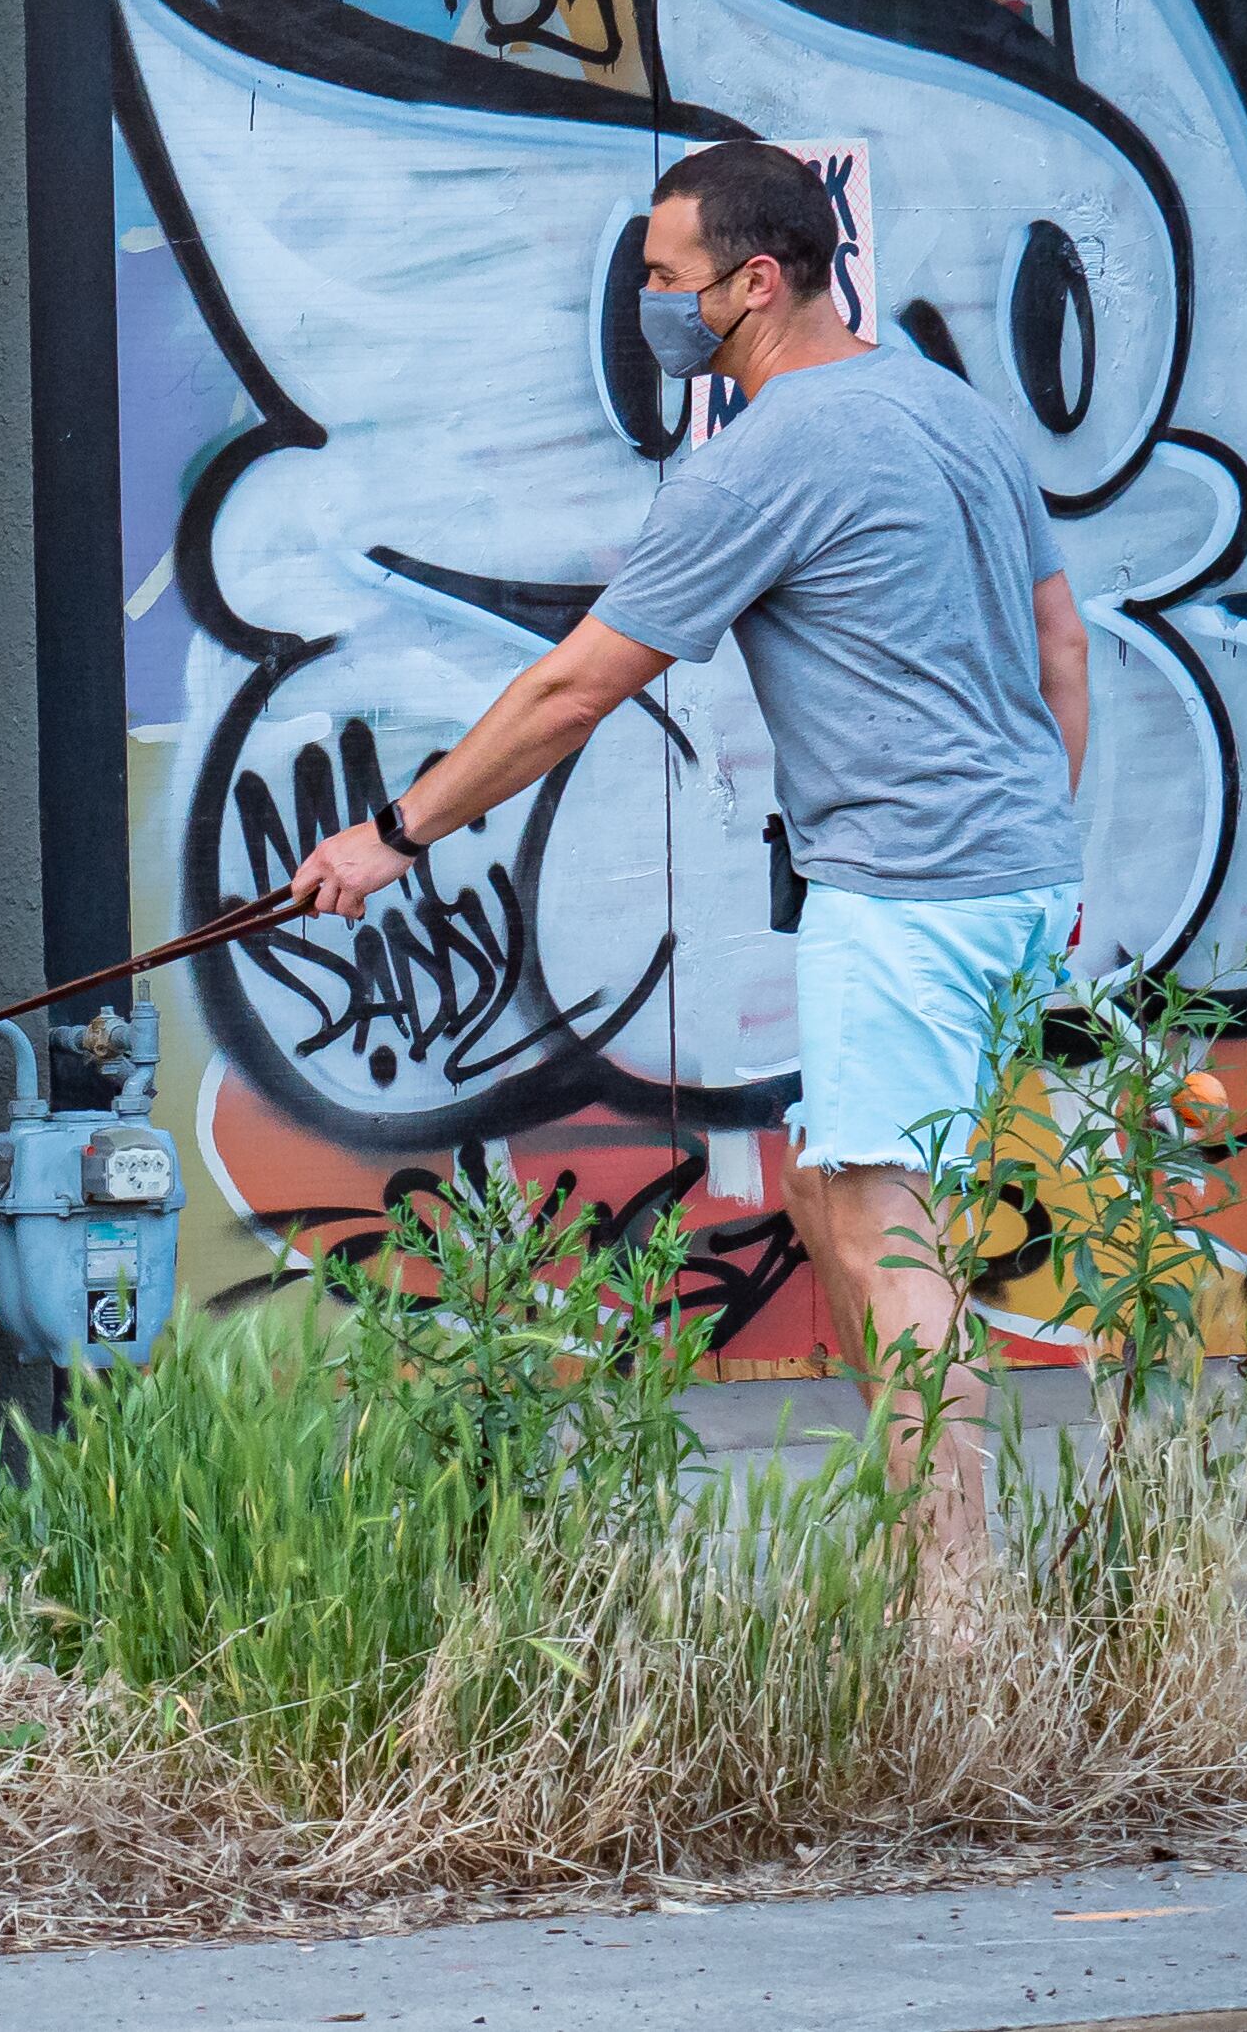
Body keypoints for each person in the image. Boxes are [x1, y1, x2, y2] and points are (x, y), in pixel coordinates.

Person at [286, 140, 1085, 1564]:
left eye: (665, 277)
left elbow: (568, 690)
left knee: (883, 1234)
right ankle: (927, 1544)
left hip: (902, 894)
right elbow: (1059, 645)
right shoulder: (947, 408)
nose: (649, 304)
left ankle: (955, 1612)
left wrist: (394, 833)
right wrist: (1027, 849)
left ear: (754, 280)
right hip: (1015, 877)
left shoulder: (761, 461)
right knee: (829, 1191)